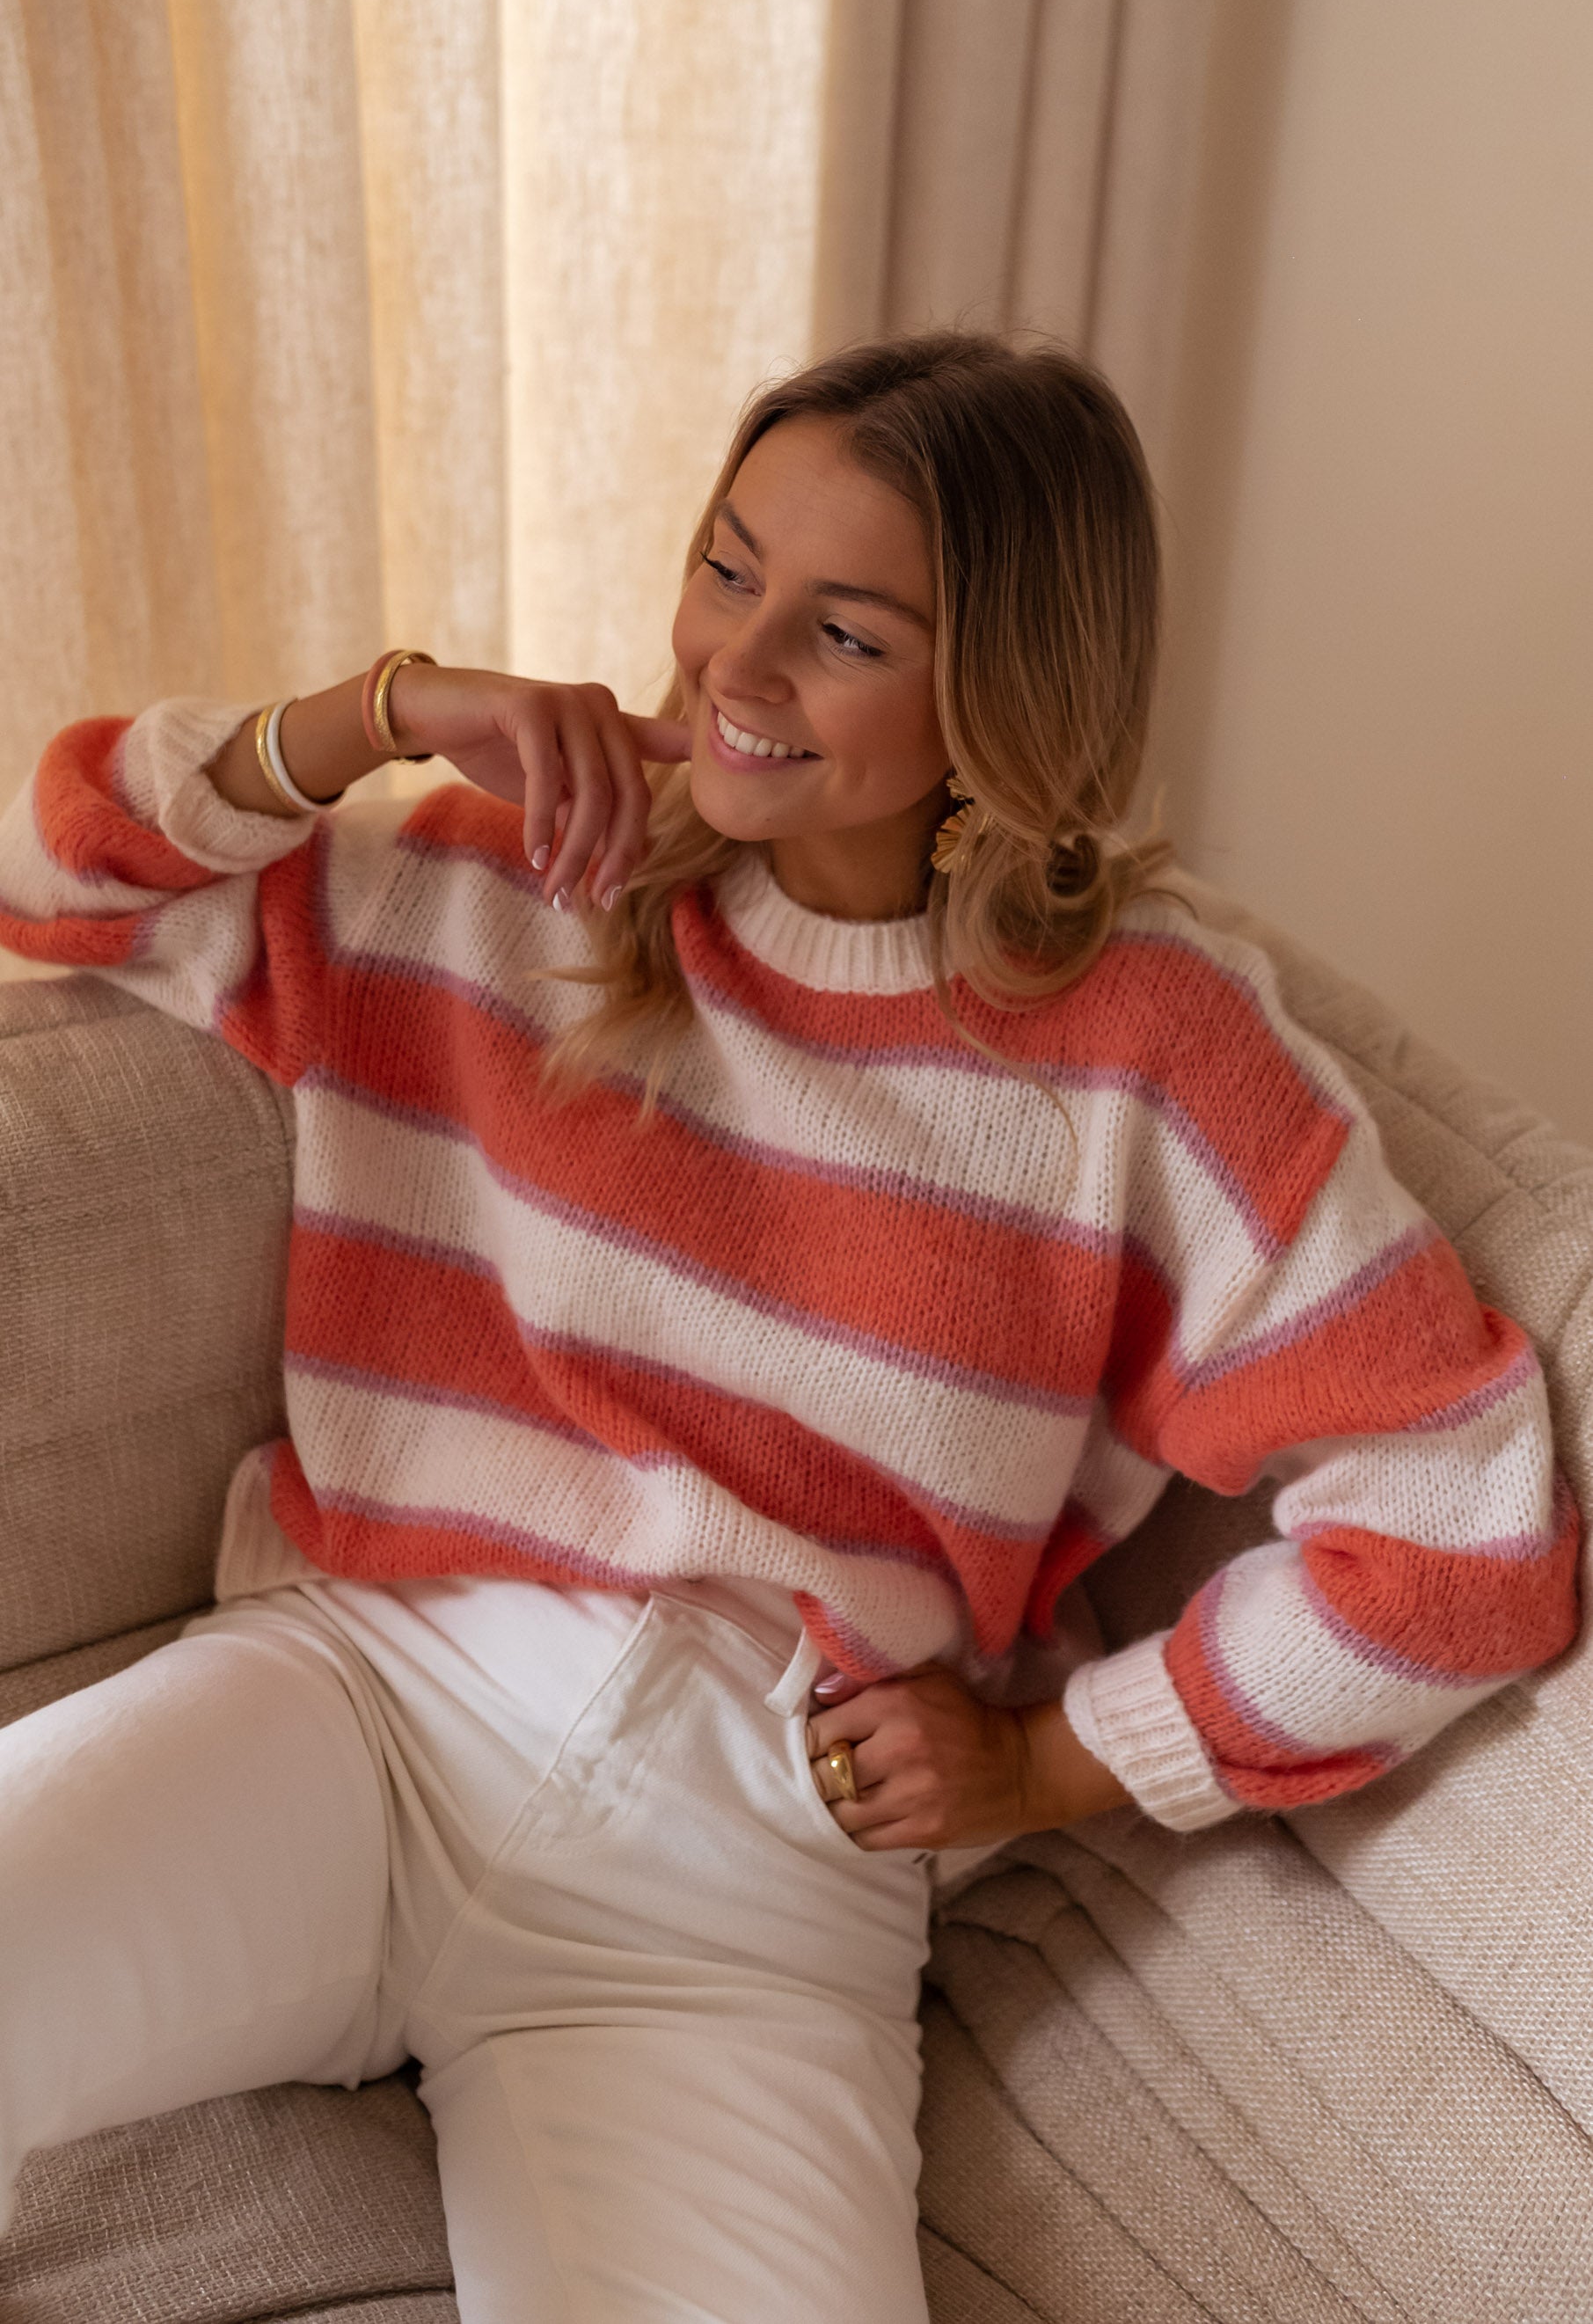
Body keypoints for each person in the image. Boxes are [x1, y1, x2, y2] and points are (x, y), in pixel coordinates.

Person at [0, 330, 1577, 2323]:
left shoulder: (1147, 1044)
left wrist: (1064, 1759)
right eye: (728, 566)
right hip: (366, 1711)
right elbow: (57, 886)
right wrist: (379, 711)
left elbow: (1467, 1528)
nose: (734, 668)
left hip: (746, 1885)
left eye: (842, 632)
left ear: (1000, 694)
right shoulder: (507, 868)